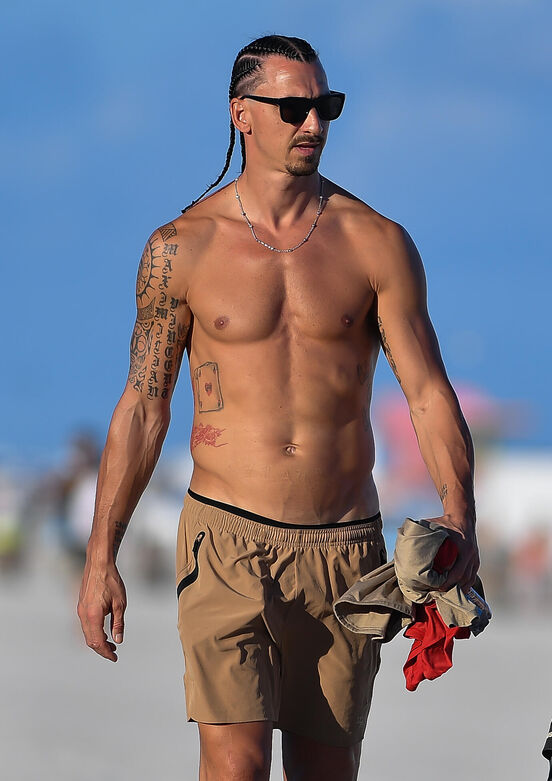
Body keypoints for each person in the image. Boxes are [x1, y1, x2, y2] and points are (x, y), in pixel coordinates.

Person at [77, 34, 478, 781]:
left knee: (327, 770)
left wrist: (462, 516)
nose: (314, 124)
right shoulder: (181, 248)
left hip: (345, 548)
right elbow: (143, 406)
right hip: (226, 539)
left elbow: (427, 392)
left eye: (327, 106)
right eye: (294, 108)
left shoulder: (377, 243)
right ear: (242, 114)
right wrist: (102, 555)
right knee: (236, 764)